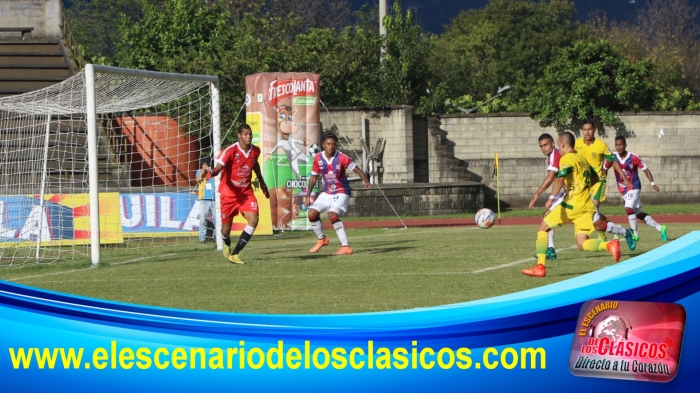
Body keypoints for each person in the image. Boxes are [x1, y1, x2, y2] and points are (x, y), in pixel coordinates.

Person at [522, 132, 621, 278]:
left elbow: (559, 179)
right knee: (581, 244)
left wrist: (551, 197)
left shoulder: (566, 159)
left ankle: (540, 266)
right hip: (586, 206)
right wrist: (582, 188)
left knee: (542, 227)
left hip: (571, 205)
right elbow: (595, 178)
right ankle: (608, 245)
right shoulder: (583, 158)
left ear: (562, 144)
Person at [208, 124, 270, 264]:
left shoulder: (255, 151)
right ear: (239, 136)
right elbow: (218, 167)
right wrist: (210, 173)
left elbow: (254, 164)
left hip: (245, 193)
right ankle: (226, 243)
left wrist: (262, 182)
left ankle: (235, 254)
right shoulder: (230, 150)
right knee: (225, 230)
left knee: (254, 220)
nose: (248, 136)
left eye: (250, 134)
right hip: (228, 194)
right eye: (246, 134)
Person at [304, 133, 371, 255]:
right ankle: (322, 239)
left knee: (332, 215)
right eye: (328, 144)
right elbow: (313, 178)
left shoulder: (342, 157)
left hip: (342, 192)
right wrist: (308, 195)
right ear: (324, 145)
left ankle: (346, 247)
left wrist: (365, 180)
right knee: (312, 213)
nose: (331, 146)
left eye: (333, 144)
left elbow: (357, 169)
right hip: (327, 192)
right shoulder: (318, 158)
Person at [574, 120, 637, 250]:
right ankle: (620, 231)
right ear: (582, 130)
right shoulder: (577, 144)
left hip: (598, 181)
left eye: (590, 129)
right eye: (585, 129)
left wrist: (624, 178)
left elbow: (612, 161)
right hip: (584, 183)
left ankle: (604, 234)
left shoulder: (601, 145)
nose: (587, 132)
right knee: (594, 213)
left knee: (593, 208)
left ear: (594, 130)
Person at [604, 136, 667, 241]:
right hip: (623, 189)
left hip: (634, 186)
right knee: (638, 213)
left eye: (621, 145)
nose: (618, 147)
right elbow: (604, 169)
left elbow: (645, 169)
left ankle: (635, 234)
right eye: (616, 145)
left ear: (625, 145)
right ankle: (661, 228)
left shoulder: (633, 157)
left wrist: (653, 183)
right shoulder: (612, 157)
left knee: (628, 207)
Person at [528, 133, 565, 260]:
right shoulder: (551, 156)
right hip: (567, 191)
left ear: (553, 144)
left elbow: (550, 177)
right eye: (541, 146)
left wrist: (537, 194)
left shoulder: (555, 155)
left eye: (546, 145)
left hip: (572, 191)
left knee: (593, 221)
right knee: (547, 216)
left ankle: (622, 233)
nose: (543, 148)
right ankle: (550, 249)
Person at [195, 160, 216, 244]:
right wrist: (203, 171)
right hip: (204, 200)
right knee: (203, 220)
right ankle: (202, 239)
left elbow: (216, 181)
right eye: (203, 165)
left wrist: (210, 172)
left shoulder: (213, 172)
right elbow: (197, 180)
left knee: (217, 220)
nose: (205, 166)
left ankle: (218, 239)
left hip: (214, 200)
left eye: (206, 164)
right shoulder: (199, 171)